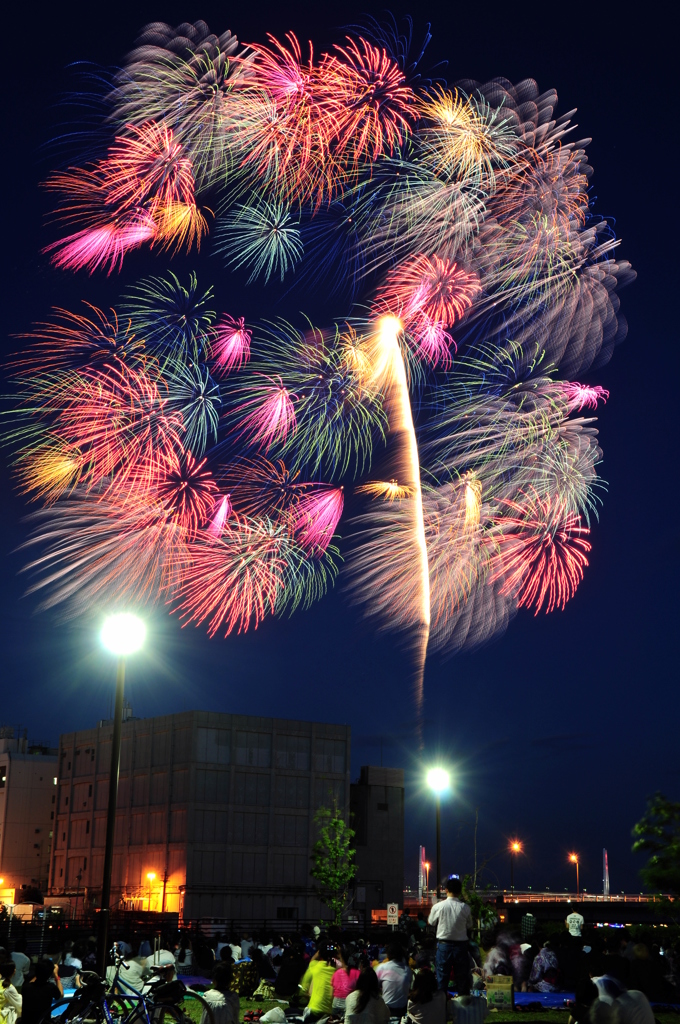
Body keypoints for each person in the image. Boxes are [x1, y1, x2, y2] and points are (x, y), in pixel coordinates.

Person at [428, 877, 472, 994]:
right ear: (459, 891)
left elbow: (431, 922)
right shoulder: (465, 908)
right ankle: (463, 1006)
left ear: (446, 890)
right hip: (461, 946)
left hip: (444, 945)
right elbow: (469, 925)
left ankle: (441, 1006)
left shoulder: (438, 906)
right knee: (462, 978)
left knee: (442, 979)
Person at [300, 942, 337, 1019]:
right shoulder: (337, 971)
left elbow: (303, 987)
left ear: (319, 953)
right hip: (328, 1012)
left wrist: (319, 952)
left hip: (314, 1010)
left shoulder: (315, 966)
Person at [19, 960, 63, 1024]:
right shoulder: (50, 988)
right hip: (43, 1022)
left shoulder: (26, 987)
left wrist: (39, 972)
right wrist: (56, 976)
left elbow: (32, 982)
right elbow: (61, 995)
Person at [375, 944, 412, 1016]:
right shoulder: (408, 970)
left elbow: (375, 986)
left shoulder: (382, 967)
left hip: (386, 1008)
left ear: (388, 955)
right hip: (402, 1009)